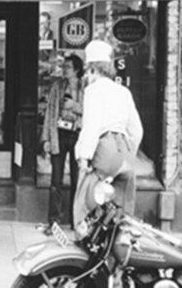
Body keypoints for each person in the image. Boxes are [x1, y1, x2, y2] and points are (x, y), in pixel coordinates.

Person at [73, 40, 143, 224]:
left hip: (105, 149)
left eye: (88, 71)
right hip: (125, 150)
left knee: (85, 203)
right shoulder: (123, 92)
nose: (86, 76)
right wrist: (129, 155)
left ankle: (85, 246)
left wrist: (84, 157)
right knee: (122, 209)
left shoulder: (93, 91)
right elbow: (137, 130)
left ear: (93, 69)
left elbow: (92, 126)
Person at [39, 54, 84, 234]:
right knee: (56, 180)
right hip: (59, 134)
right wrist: (46, 139)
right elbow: (50, 113)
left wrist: (74, 105)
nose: (64, 70)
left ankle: (76, 220)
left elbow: (91, 112)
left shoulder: (85, 88)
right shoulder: (57, 86)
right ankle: (54, 221)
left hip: (77, 135)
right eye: (63, 66)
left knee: (77, 179)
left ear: (77, 70)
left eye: (68, 67)